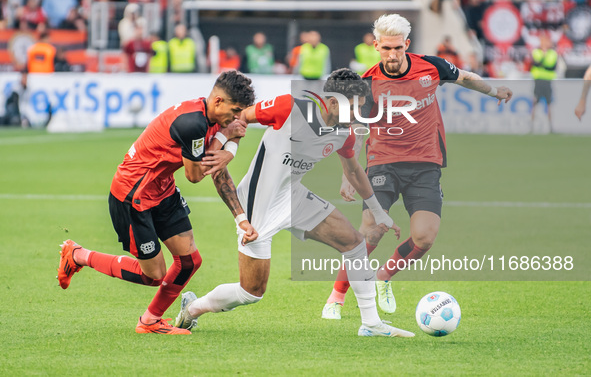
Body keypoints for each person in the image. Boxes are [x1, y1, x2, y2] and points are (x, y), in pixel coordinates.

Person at [173, 68, 415, 338]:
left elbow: (354, 170)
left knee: (355, 244)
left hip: (293, 196)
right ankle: (192, 308)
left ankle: (371, 324)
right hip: (257, 204)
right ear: (333, 102)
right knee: (251, 292)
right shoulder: (289, 107)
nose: (358, 114)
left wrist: (378, 212)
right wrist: (226, 148)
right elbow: (239, 117)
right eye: (354, 107)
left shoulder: (344, 134)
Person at [321, 13, 513, 319]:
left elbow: (464, 77)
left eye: (398, 48)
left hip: (425, 163)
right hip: (383, 162)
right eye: (386, 49)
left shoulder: (431, 66)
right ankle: (336, 297)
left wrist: (494, 90)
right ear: (376, 46)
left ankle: (382, 278)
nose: (392, 55)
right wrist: (348, 174)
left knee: (424, 237)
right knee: (370, 231)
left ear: (406, 45)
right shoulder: (368, 82)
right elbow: (357, 128)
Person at [56, 71, 258, 335]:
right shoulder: (193, 123)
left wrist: (240, 218)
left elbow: (216, 167)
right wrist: (226, 141)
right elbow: (196, 176)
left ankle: (149, 321)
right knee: (154, 275)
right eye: (235, 110)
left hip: (163, 190)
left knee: (189, 261)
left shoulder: (211, 119)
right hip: (133, 195)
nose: (237, 117)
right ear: (218, 101)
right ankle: (78, 255)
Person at [530, 33, 558, 132]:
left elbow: (550, 65)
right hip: (538, 80)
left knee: (549, 104)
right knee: (535, 103)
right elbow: (536, 63)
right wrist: (544, 56)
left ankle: (551, 127)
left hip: (547, 81)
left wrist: (543, 58)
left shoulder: (553, 53)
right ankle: (531, 127)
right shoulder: (536, 51)